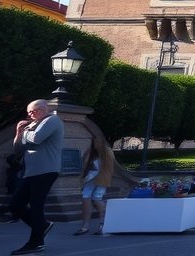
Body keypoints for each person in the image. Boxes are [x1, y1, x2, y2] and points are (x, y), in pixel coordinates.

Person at [9, 99, 65, 255]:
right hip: (31, 172)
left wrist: (26, 131)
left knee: (36, 206)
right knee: (15, 204)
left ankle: (35, 241)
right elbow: (18, 150)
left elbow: (37, 138)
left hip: (46, 170)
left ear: (43, 109)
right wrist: (19, 133)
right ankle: (42, 226)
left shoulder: (52, 120)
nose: (29, 115)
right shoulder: (32, 126)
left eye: (32, 111)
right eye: (28, 112)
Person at [74, 135, 115, 236]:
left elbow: (108, 169)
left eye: (96, 140)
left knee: (97, 198)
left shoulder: (107, 152)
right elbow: (85, 163)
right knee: (85, 196)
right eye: (93, 141)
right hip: (90, 178)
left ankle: (103, 223)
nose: (94, 143)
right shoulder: (91, 151)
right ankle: (85, 226)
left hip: (101, 178)